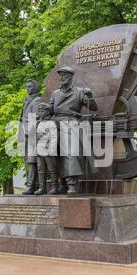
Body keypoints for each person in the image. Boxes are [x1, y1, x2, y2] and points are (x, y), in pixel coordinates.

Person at [47, 66, 98, 194]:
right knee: (55, 154)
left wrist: (90, 96)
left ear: (70, 77)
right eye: (61, 76)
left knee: (71, 153)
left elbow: (93, 107)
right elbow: (50, 110)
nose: (62, 78)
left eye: (64, 76)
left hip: (72, 123)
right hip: (56, 124)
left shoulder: (79, 92)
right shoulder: (55, 94)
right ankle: (62, 184)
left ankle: (72, 185)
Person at [20, 79, 43, 195]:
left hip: (32, 135)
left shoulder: (37, 100)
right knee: (29, 161)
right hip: (25, 133)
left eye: (29, 87)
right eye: (27, 86)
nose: (27, 89)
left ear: (35, 88)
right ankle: (31, 185)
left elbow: (36, 117)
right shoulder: (26, 100)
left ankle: (32, 186)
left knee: (33, 161)